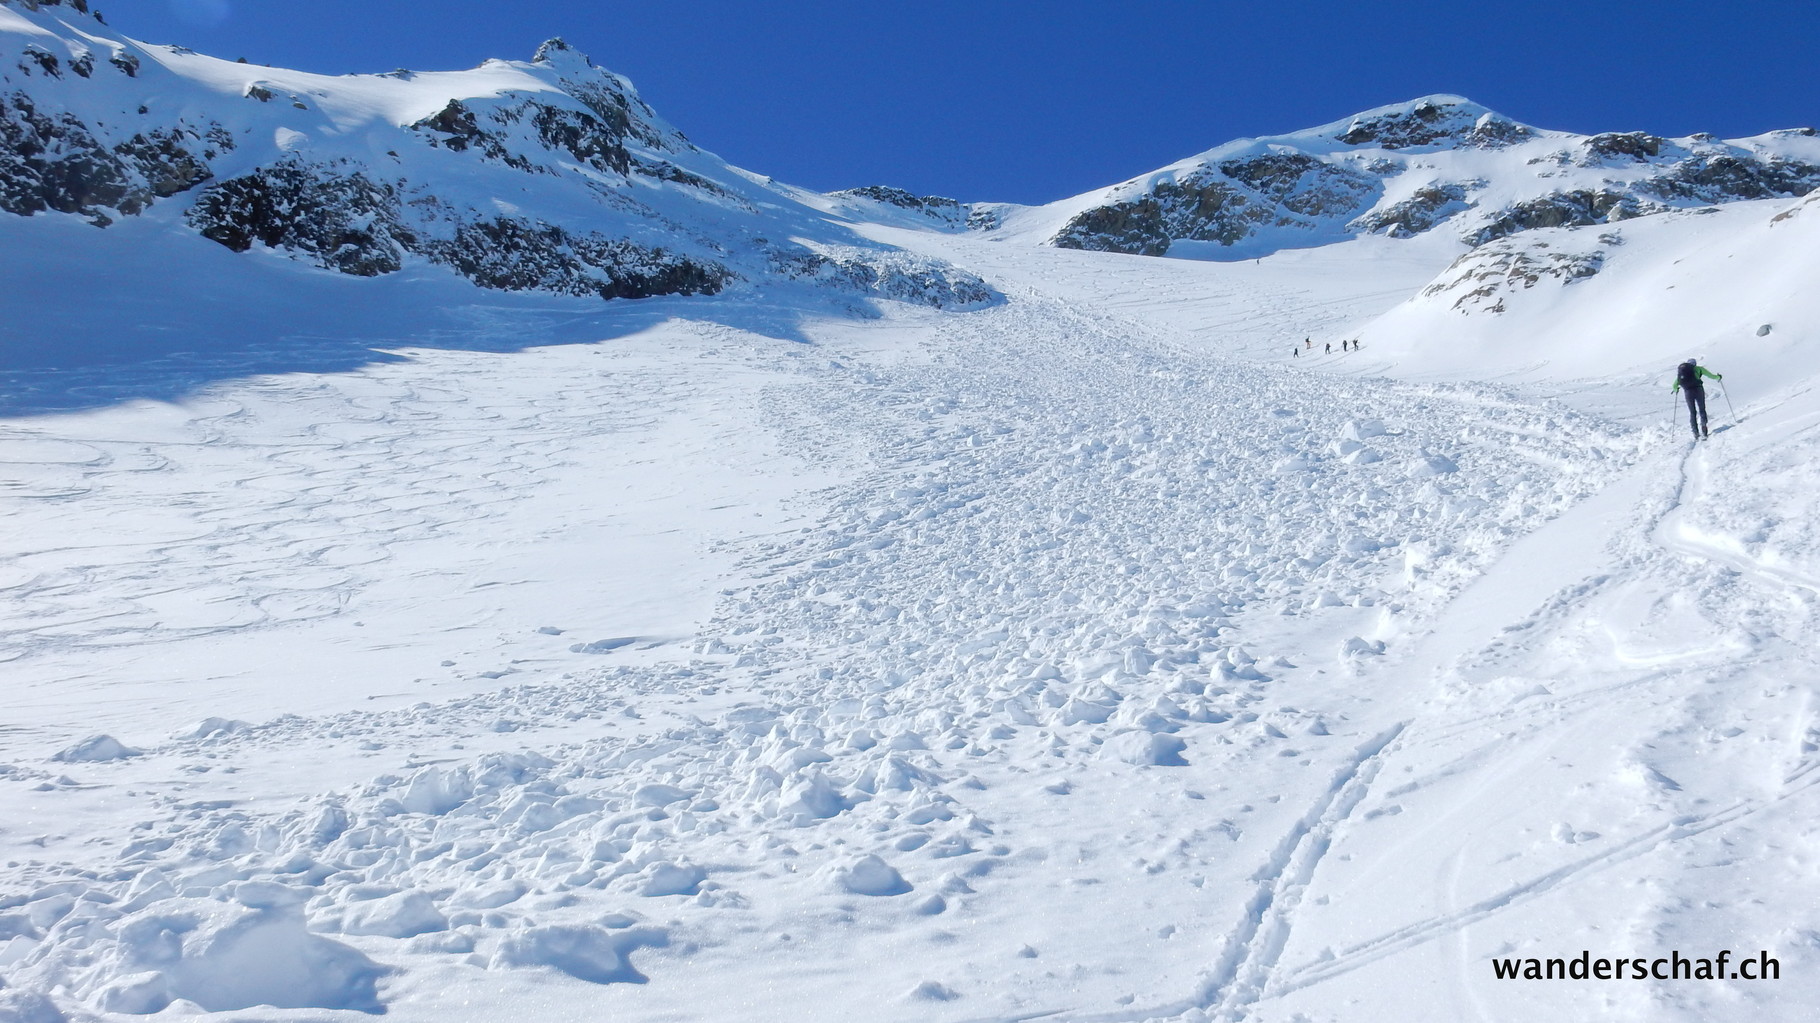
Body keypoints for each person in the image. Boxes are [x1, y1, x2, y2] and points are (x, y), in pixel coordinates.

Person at [1671, 356, 1723, 440]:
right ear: (1695, 364)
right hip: (1698, 390)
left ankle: (1695, 431)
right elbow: (1711, 376)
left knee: (1692, 412)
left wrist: (1676, 389)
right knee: (1702, 409)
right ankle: (1704, 428)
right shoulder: (1699, 369)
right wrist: (1718, 377)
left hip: (1688, 392)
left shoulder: (1682, 372)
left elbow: (1674, 385)